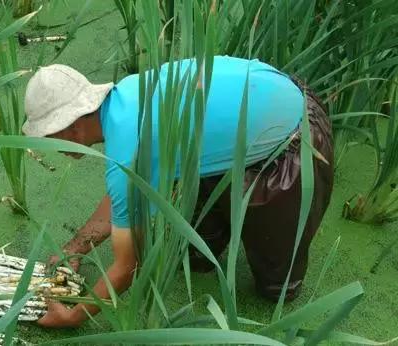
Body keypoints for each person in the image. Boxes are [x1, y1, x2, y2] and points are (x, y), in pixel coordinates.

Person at [22, 56, 333, 328]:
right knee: (197, 253)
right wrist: (74, 249)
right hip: (249, 113)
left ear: (71, 126)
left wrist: (75, 315)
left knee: (276, 289)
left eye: (51, 136)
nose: (54, 147)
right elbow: (124, 202)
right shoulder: (126, 96)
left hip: (293, 137)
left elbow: (128, 265)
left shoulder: (128, 150)